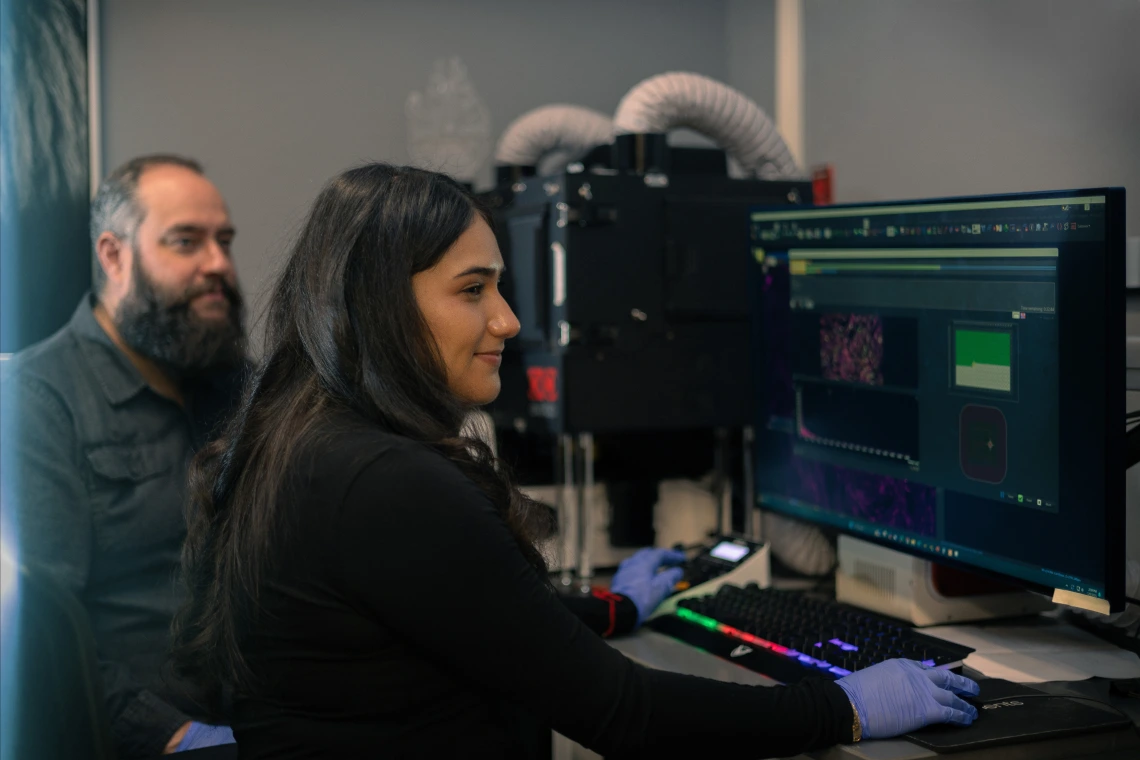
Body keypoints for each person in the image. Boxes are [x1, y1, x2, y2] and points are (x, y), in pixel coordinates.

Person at [171, 163, 979, 759]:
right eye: (473, 290)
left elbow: (466, 610)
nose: (510, 320)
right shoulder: (387, 481)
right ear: (381, 305)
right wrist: (839, 707)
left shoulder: (300, 439)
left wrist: (611, 611)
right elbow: (622, 714)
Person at [0, 155, 245, 757]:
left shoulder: (237, 385)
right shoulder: (38, 401)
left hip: (264, 714)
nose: (218, 265)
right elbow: (42, 639)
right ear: (114, 255)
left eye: (224, 241)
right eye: (186, 242)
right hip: (144, 737)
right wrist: (177, 738)